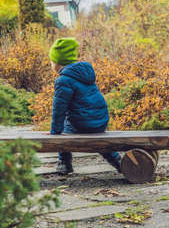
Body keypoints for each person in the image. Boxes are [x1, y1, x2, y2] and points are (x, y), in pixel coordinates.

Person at [48, 38, 122, 175]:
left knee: (63, 128)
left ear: (58, 62)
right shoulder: (83, 73)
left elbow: (59, 110)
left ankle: (64, 163)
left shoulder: (63, 80)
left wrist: (54, 132)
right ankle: (117, 160)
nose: (50, 64)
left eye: (51, 61)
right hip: (100, 121)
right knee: (96, 138)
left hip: (84, 124)